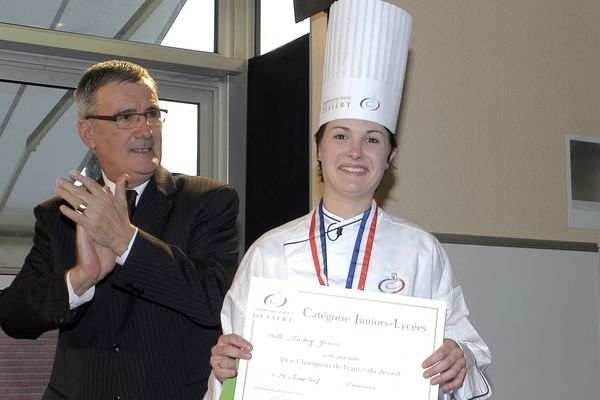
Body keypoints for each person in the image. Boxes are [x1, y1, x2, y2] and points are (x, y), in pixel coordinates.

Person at [204, 1, 491, 399]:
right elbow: (232, 382)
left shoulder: (421, 252)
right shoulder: (267, 254)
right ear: (317, 147)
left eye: (372, 139)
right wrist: (225, 368)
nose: (355, 152)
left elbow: (470, 356)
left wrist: (460, 357)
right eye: (340, 135)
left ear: (390, 156)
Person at [0, 60, 239, 399]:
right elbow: (14, 316)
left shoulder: (207, 201)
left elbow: (214, 301)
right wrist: (80, 280)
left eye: (153, 114)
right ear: (88, 132)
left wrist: (127, 241)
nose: (145, 130)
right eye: (126, 117)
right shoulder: (60, 214)